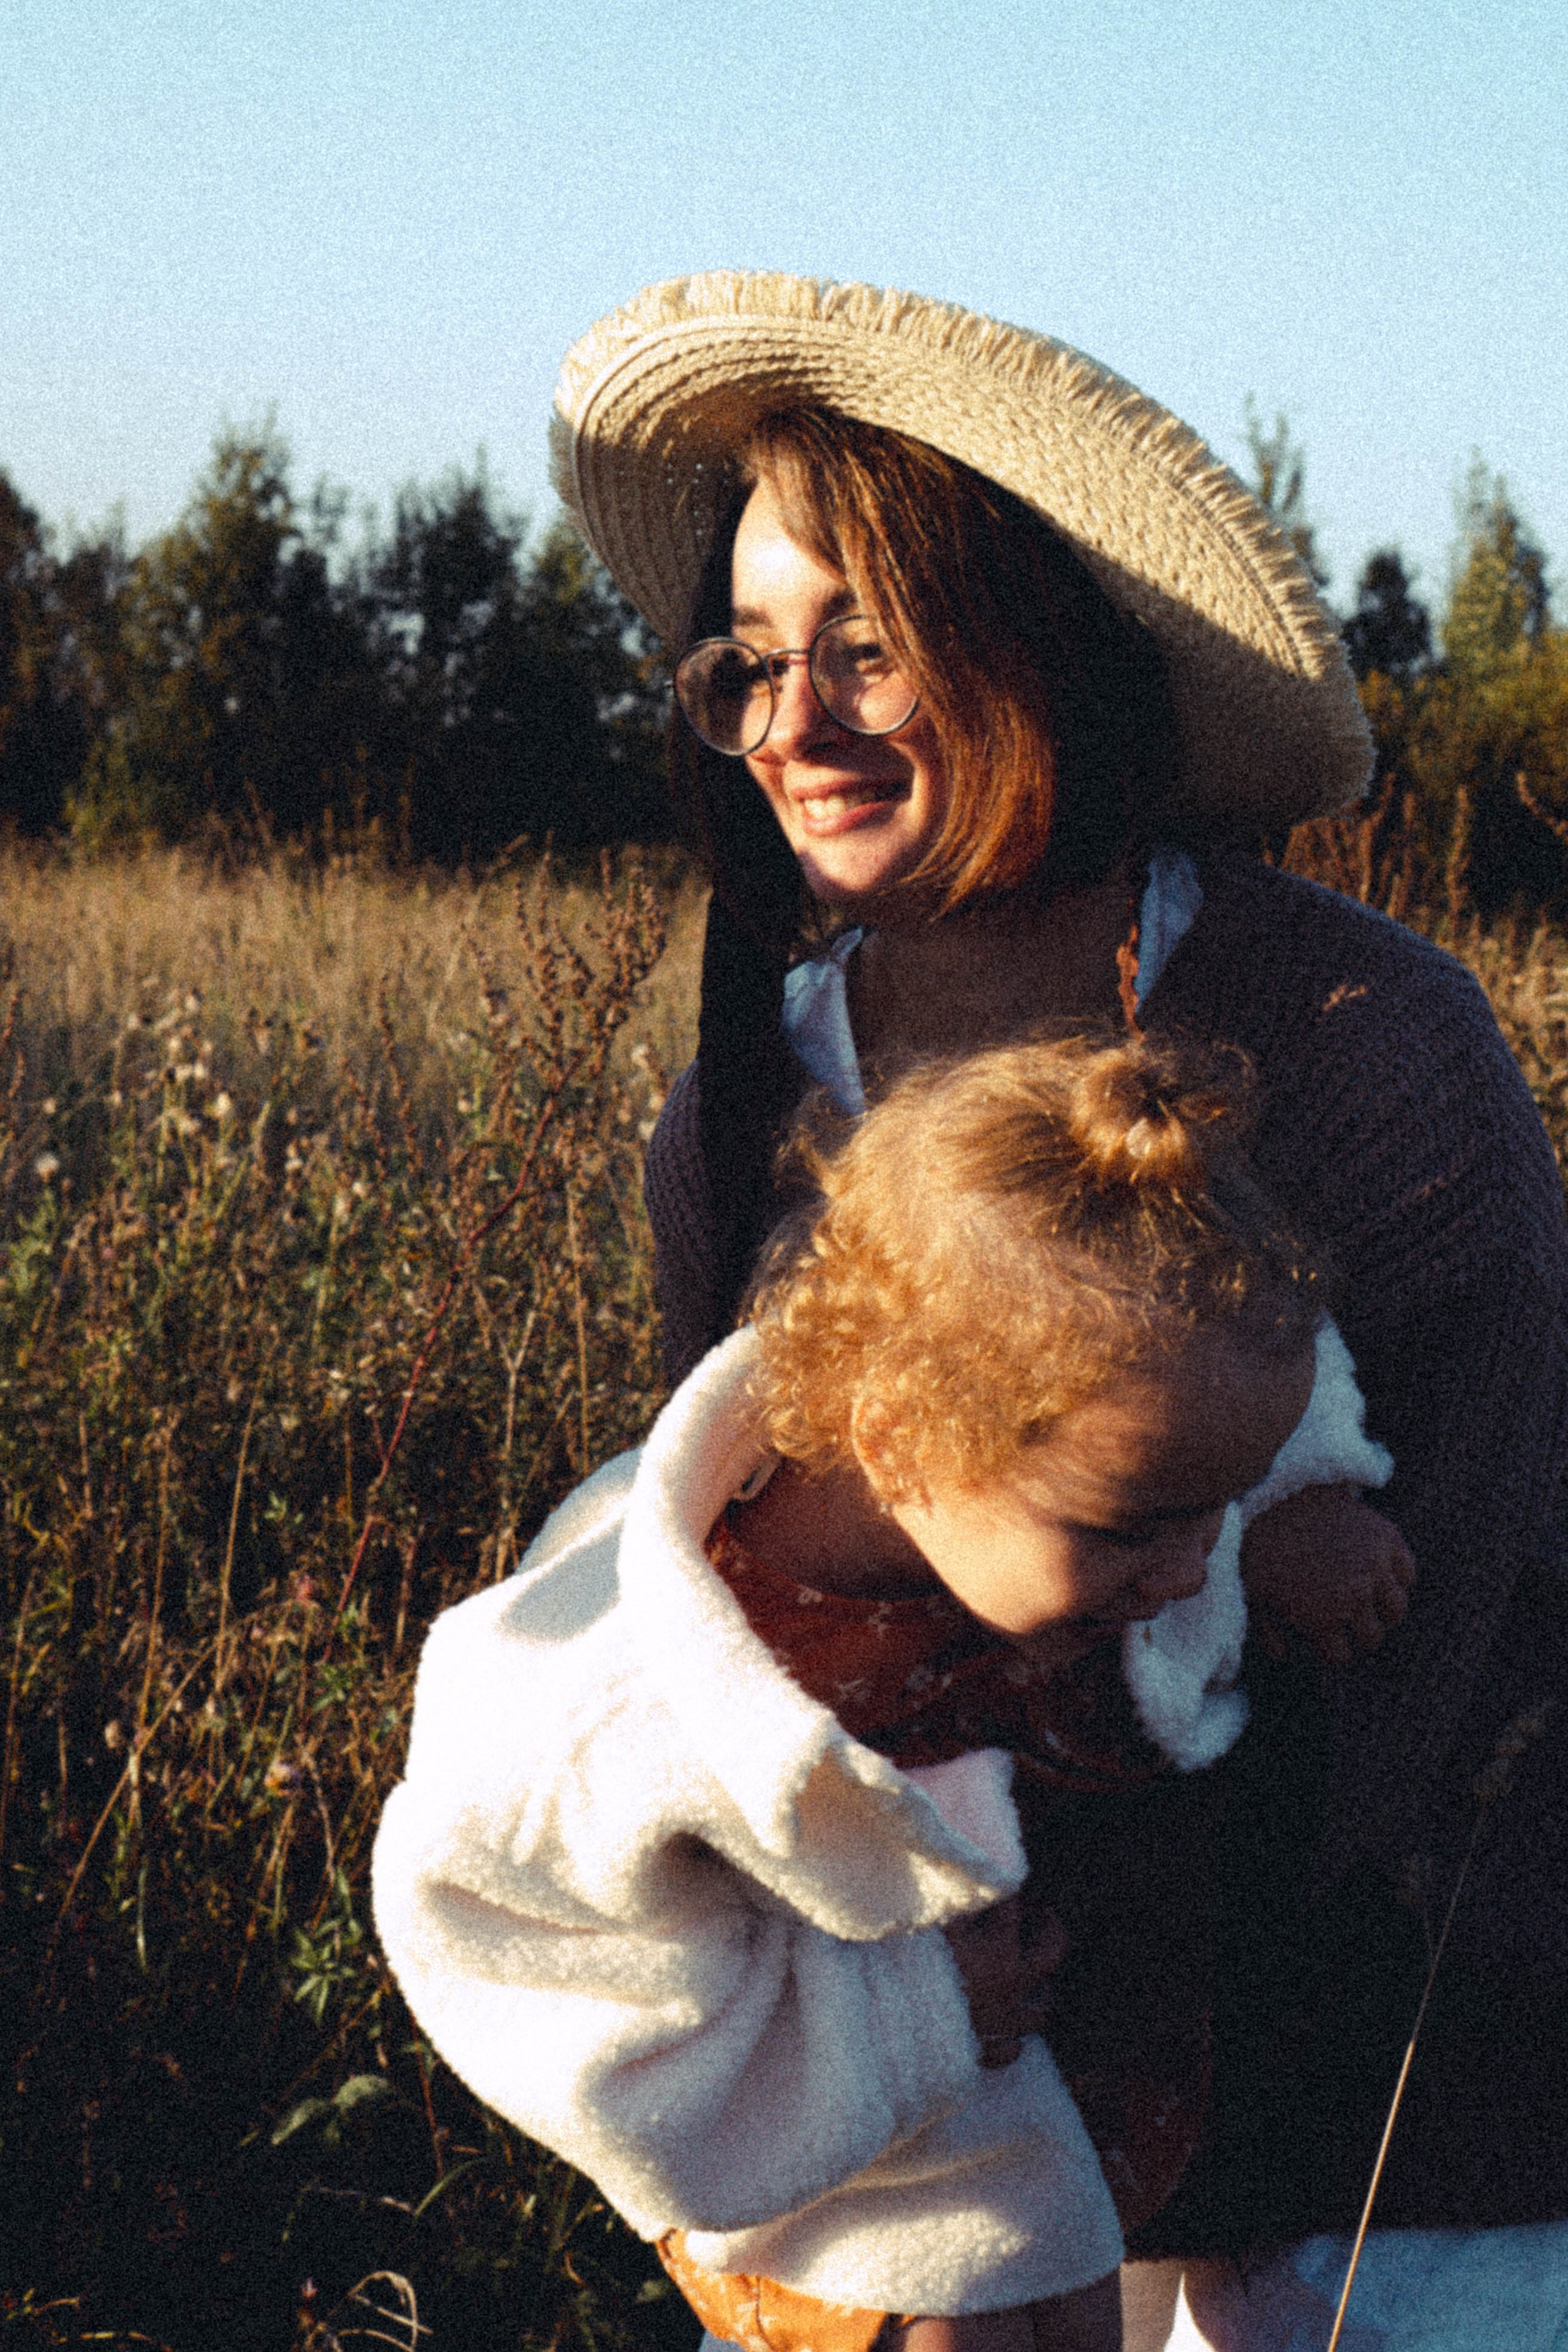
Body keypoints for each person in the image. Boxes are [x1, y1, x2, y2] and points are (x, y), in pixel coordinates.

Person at [546, 274, 1568, 2345]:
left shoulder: (1358, 1040)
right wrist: (853, 2030)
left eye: (867, 648)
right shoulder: (737, 1113)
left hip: (1378, 2103)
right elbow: (715, 1604)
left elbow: (1459, 1599)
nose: (795, 726)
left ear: (1033, 652)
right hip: (921, 2115)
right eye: (750, 662)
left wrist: (1082, 1976)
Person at [373, 1033, 1400, 2352]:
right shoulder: (628, 1691)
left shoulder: (1078, 1453)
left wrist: (1295, 1505)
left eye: (1217, 1507)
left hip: (1058, 2144)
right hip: (845, 2196)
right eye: (1138, 1527)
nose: (1189, 1569)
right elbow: (523, 1970)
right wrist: (906, 2015)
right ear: (899, 1438)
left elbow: (1223, 1395)